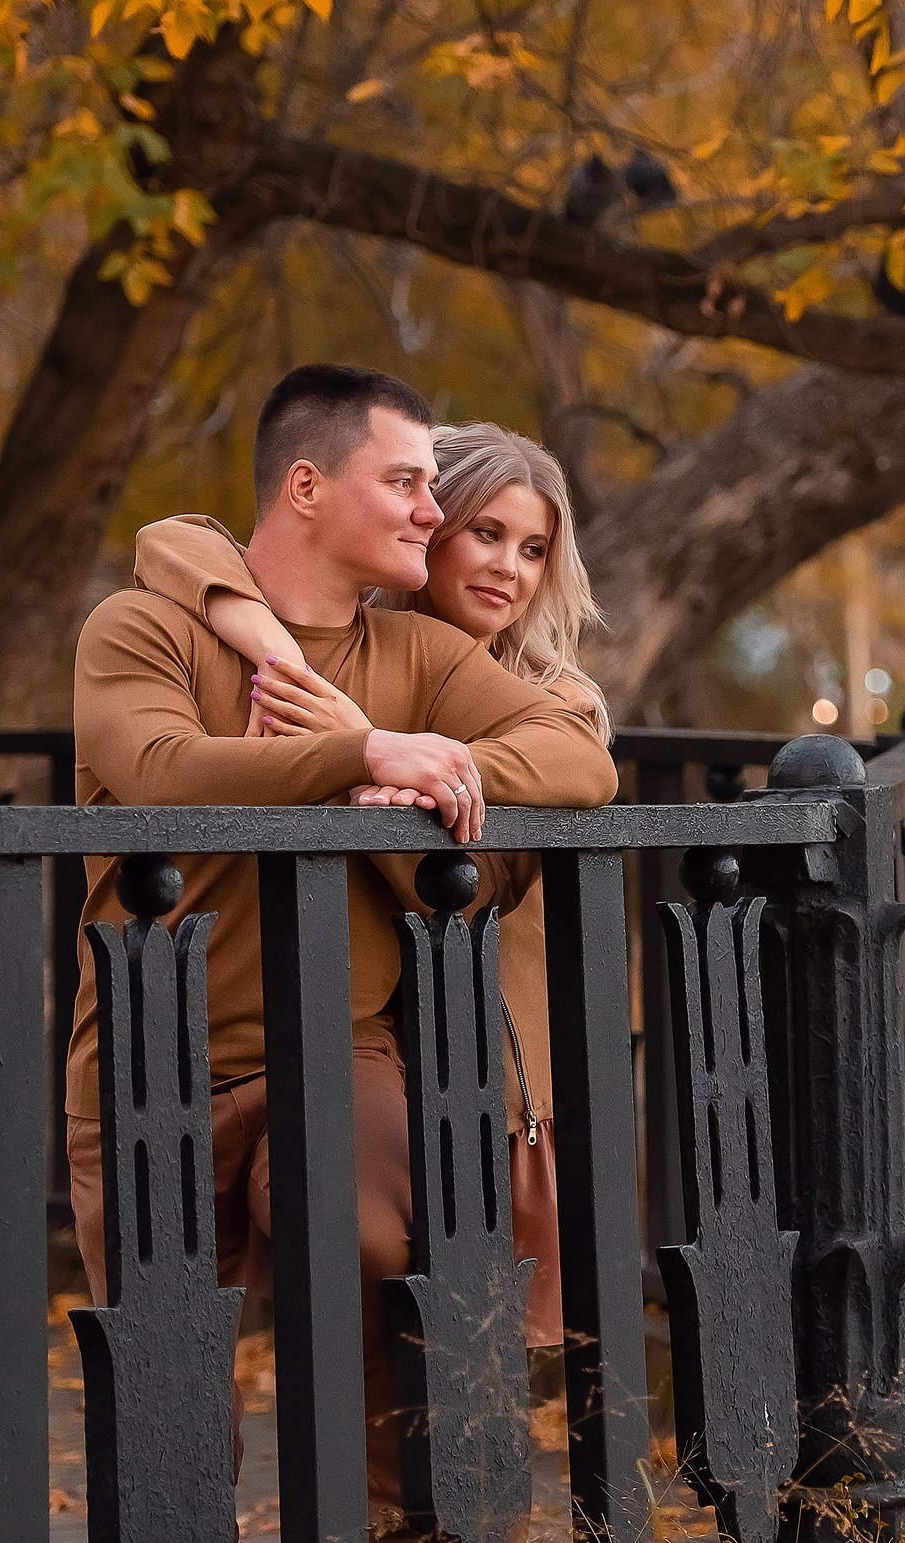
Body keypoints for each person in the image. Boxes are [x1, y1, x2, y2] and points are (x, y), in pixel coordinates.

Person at [66, 365, 618, 1543]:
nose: (433, 512)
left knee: (373, 1243)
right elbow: (157, 769)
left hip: (343, 1049)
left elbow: (577, 755)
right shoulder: (140, 629)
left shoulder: (420, 653)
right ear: (307, 486)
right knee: (166, 1386)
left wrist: (447, 763)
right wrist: (362, 751)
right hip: (151, 1069)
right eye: (410, 483)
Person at [131, 425, 610, 1362]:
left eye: (534, 548)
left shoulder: (546, 699)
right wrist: (293, 666)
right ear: (421, 521)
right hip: (358, 1050)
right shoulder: (350, 652)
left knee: (460, 1364)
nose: (508, 567)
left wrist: (410, 759)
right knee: (358, 1328)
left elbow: (476, 887)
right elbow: (169, 540)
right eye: (483, 532)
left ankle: (458, 1517)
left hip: (484, 1071)